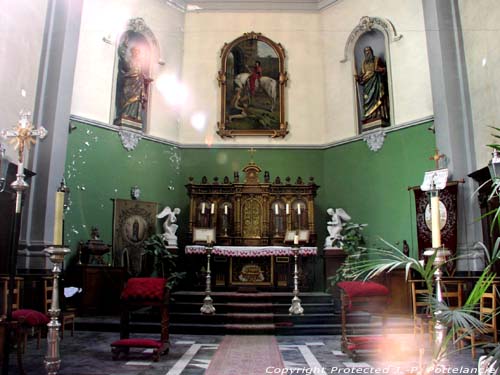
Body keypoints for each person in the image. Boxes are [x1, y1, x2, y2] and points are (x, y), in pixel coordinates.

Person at [115, 39, 152, 125]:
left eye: (138, 52)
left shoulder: (139, 63)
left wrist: (146, 79)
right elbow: (123, 57)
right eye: (135, 51)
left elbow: (141, 73)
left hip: (138, 83)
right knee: (128, 98)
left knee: (137, 99)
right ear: (132, 52)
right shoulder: (130, 60)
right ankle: (126, 113)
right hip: (129, 82)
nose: (137, 53)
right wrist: (124, 45)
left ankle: (135, 116)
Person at [355, 46, 389, 125]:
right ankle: (370, 116)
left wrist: (380, 70)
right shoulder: (364, 63)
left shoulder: (377, 59)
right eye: (366, 51)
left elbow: (383, 70)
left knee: (377, 98)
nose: (367, 52)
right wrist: (358, 78)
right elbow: (362, 76)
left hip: (376, 82)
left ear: (371, 51)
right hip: (368, 85)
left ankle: (378, 114)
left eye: (368, 50)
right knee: (368, 100)